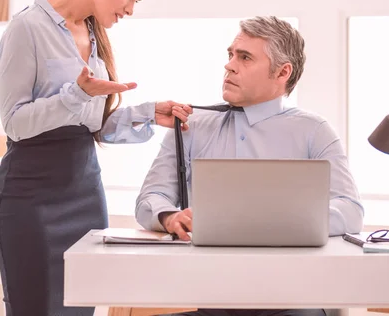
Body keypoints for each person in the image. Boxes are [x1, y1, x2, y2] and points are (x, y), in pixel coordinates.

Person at [0, 0, 192, 316]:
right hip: (30, 196)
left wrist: (149, 113)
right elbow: (15, 123)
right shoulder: (26, 29)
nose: (131, 8)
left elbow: (91, 127)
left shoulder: (94, 36)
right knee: (34, 308)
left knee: (81, 309)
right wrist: (77, 94)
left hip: (84, 191)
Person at [135, 16, 364, 316]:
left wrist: (279, 221)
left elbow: (350, 211)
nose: (230, 65)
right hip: (212, 300)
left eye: (245, 57)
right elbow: (149, 200)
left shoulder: (314, 131)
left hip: (294, 303)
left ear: (283, 72)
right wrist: (168, 216)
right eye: (230, 55)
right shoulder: (192, 126)